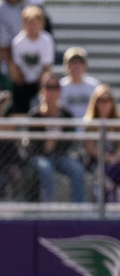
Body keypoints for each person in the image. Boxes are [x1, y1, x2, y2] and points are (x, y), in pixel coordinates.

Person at [26, 72, 85, 203]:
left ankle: (79, 210)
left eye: (55, 88)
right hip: (40, 157)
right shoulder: (35, 116)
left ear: (60, 91)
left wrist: (56, 141)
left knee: (77, 170)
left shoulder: (67, 115)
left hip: (61, 156)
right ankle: (48, 209)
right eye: (48, 87)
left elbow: (70, 143)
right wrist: (49, 141)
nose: (52, 92)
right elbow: (33, 147)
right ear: (42, 90)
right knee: (45, 168)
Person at [9, 6, 54, 114]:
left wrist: (41, 87)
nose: (31, 26)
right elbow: (16, 68)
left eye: (35, 22)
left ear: (41, 23)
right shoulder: (17, 42)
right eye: (28, 22)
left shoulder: (46, 40)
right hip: (22, 81)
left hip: (39, 82)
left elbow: (46, 68)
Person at [59, 47, 99, 119]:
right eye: (72, 63)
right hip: (67, 126)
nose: (76, 66)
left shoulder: (93, 85)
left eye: (79, 63)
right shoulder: (60, 86)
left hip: (88, 127)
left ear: (85, 66)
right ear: (66, 65)